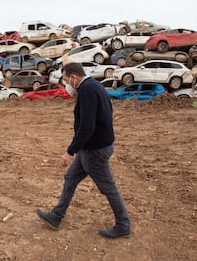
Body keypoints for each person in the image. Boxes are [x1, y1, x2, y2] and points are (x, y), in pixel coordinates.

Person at [36, 62, 131, 238]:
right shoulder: (95, 85)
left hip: (95, 150)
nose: (65, 84)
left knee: (108, 187)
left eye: (65, 80)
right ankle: (56, 216)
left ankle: (123, 225)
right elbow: (108, 110)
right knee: (70, 177)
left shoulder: (87, 90)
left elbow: (87, 126)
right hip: (92, 147)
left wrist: (70, 151)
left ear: (73, 77)